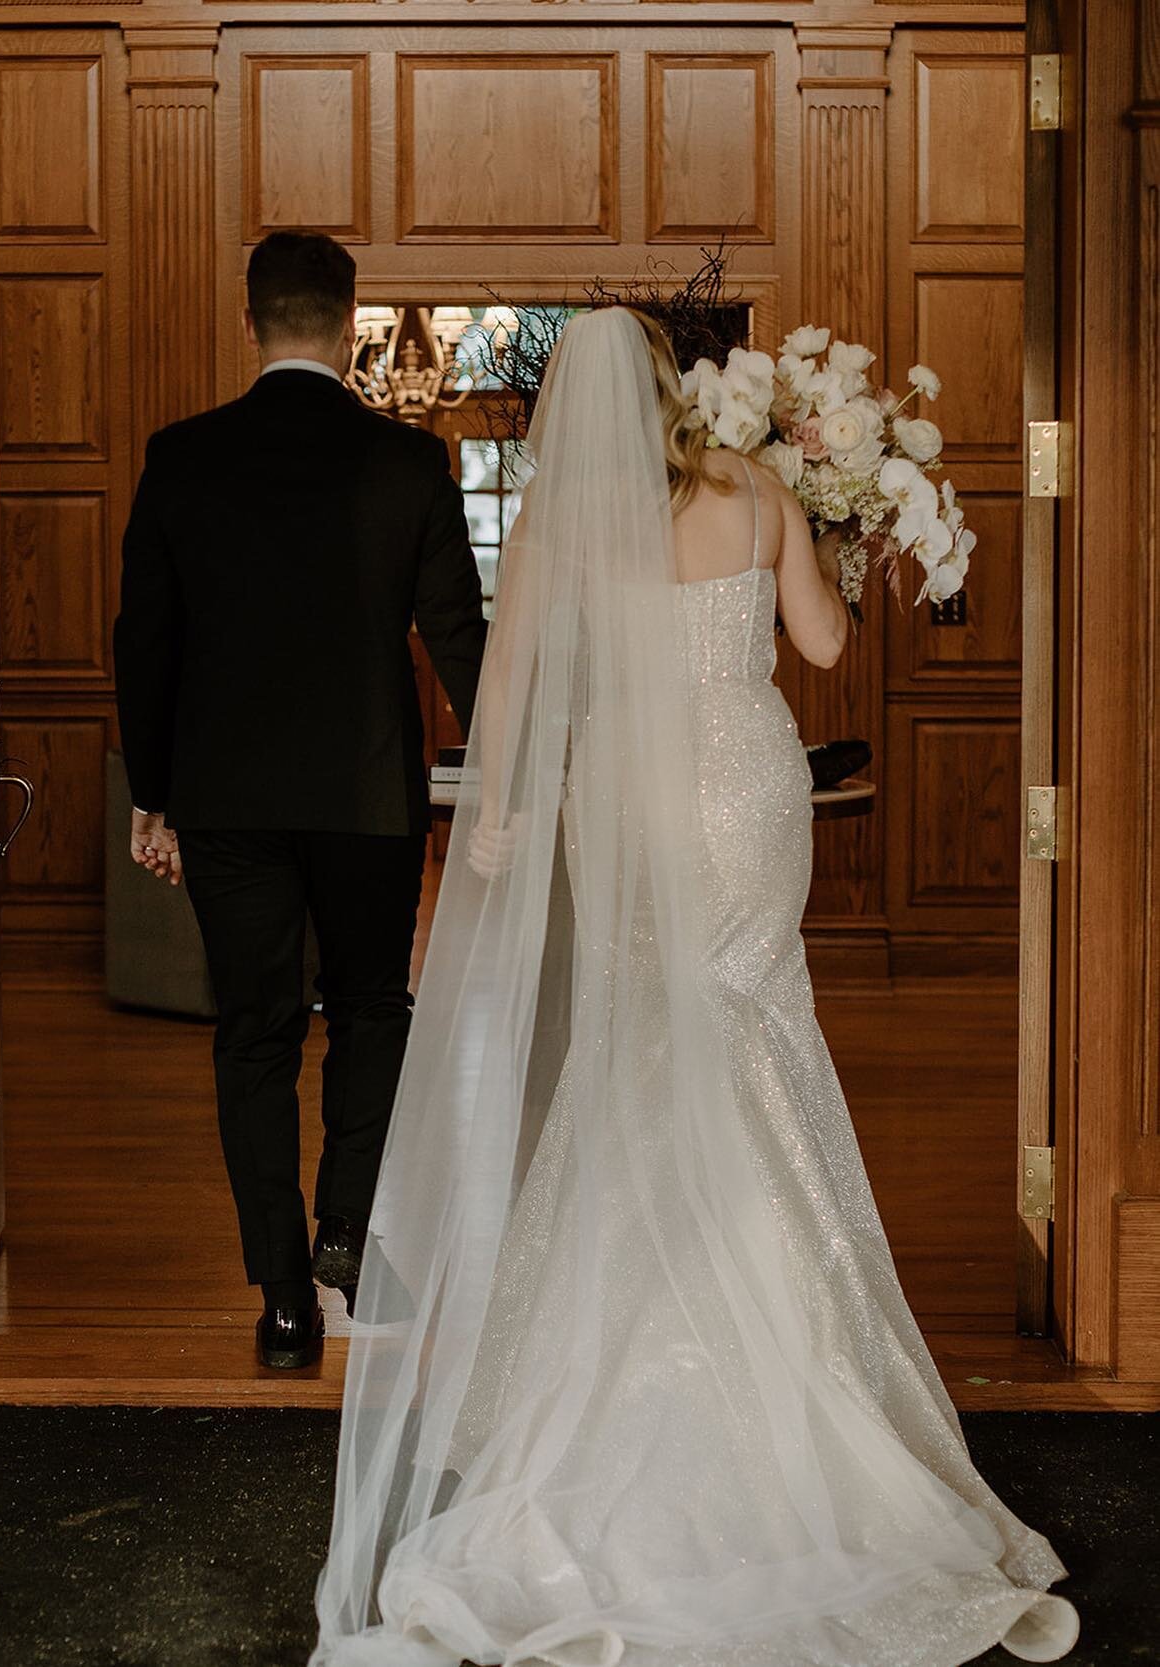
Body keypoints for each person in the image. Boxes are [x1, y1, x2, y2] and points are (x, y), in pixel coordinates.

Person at [311, 308, 1079, 1665]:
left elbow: (517, 677)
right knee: (749, 1021)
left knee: (636, 1043)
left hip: (625, 790)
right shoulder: (758, 485)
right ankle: (784, 1349)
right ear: (681, 390)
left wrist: (488, 816)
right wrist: (832, 541)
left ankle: (635, 1349)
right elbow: (828, 651)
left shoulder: (557, 518)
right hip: (742, 778)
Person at [113, 231, 486, 1371]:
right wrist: (511, 772)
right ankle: (344, 1235)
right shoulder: (409, 465)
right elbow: (457, 639)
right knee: (373, 1007)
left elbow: (145, 643)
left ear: (250, 322)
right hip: (369, 791)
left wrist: (155, 797)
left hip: (227, 793)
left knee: (255, 1032)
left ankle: (282, 1298)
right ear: (351, 322)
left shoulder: (181, 458)